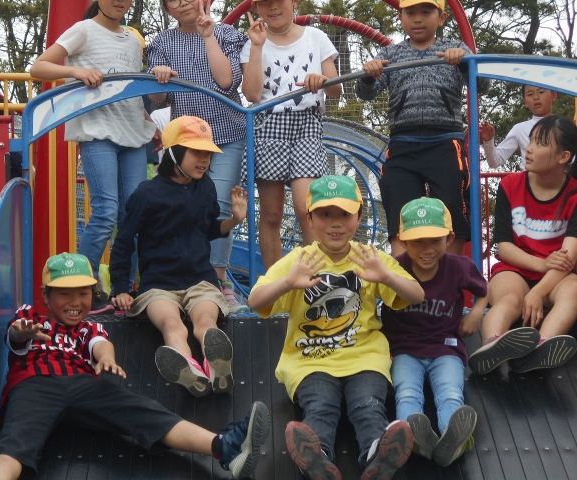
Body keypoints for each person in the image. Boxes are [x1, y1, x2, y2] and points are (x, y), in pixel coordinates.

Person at [0, 252, 270, 480]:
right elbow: (15, 333)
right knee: (16, 437)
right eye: (64, 294)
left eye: (83, 293)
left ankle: (224, 447)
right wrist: (22, 332)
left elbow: (99, 343)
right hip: (36, 383)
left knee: (145, 411)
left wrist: (106, 358)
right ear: (45, 296)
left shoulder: (88, 327)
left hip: (84, 383)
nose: (75, 302)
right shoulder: (30, 318)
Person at [248, 175, 425, 480]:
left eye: (345, 214)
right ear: (309, 219)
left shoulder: (369, 258)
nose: (336, 223)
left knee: (368, 405)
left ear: (359, 216)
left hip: (364, 358)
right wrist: (288, 282)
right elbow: (255, 300)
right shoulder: (301, 261)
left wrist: (386, 277)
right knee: (321, 405)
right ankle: (317, 459)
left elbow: (417, 295)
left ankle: (377, 454)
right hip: (311, 361)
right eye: (325, 214)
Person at [30, 0, 161, 314]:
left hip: (132, 133)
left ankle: (123, 289)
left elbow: (128, 89)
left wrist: (149, 122)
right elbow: (38, 67)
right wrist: (75, 71)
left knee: (133, 215)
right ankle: (80, 286)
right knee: (105, 210)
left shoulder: (132, 40)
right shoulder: (83, 31)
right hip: (98, 130)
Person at [109, 116, 247, 397]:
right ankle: (190, 369)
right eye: (197, 152)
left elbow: (209, 230)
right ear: (173, 152)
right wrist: (120, 288)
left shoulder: (206, 188)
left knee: (206, 321)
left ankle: (216, 367)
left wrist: (235, 219)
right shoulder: (147, 194)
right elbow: (123, 242)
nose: (204, 160)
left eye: (208, 154)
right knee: (171, 324)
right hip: (159, 285)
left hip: (200, 280)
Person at [355, 0, 490, 258]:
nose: (418, 19)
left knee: (452, 203)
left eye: (426, 12)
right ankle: (404, 275)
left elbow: (482, 85)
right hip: (403, 142)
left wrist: (463, 63)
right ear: (401, 18)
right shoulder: (391, 54)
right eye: (410, 13)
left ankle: (451, 273)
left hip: (444, 141)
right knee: (398, 200)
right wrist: (368, 75)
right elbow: (366, 93)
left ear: (441, 18)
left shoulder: (454, 48)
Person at [148, 0, 249, 314]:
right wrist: (158, 76)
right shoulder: (163, 42)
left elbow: (227, 81)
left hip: (228, 132)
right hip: (189, 139)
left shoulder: (227, 34)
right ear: (167, 9)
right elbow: (157, 96)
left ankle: (218, 282)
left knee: (219, 203)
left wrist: (208, 36)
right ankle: (185, 277)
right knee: (185, 205)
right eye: (174, 0)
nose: (183, 3)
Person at [380, 197, 488, 466]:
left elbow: (484, 290)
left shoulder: (459, 266)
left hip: (445, 347)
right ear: (403, 241)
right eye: (418, 242)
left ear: (449, 238)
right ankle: (411, 437)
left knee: (450, 392)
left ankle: (455, 438)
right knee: (407, 392)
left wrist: (476, 313)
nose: (427, 249)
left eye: (435, 241)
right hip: (405, 350)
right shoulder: (395, 269)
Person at [468, 115, 577, 375]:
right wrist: (540, 264)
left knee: (573, 290)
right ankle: (491, 344)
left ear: (563, 157)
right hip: (515, 268)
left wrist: (538, 292)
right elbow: (504, 246)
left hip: (557, 275)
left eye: (540, 143)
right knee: (509, 299)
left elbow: (569, 257)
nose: (529, 148)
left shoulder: (574, 194)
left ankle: (542, 346)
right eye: (531, 141)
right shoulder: (510, 185)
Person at [241, 1, 343, 271]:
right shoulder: (253, 43)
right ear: (257, 8)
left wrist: (321, 80)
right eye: (266, 3)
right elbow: (251, 94)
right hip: (269, 124)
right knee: (272, 214)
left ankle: (313, 280)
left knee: (306, 208)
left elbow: (336, 89)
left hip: (306, 124)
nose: (273, 8)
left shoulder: (315, 37)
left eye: (279, 1)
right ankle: (275, 282)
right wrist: (257, 46)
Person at [480, 86, 558, 170]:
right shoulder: (520, 129)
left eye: (541, 92)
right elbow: (495, 162)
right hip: (528, 178)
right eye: (530, 94)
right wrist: (488, 141)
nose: (536, 97)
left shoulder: (563, 127)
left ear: (553, 96)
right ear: (525, 102)